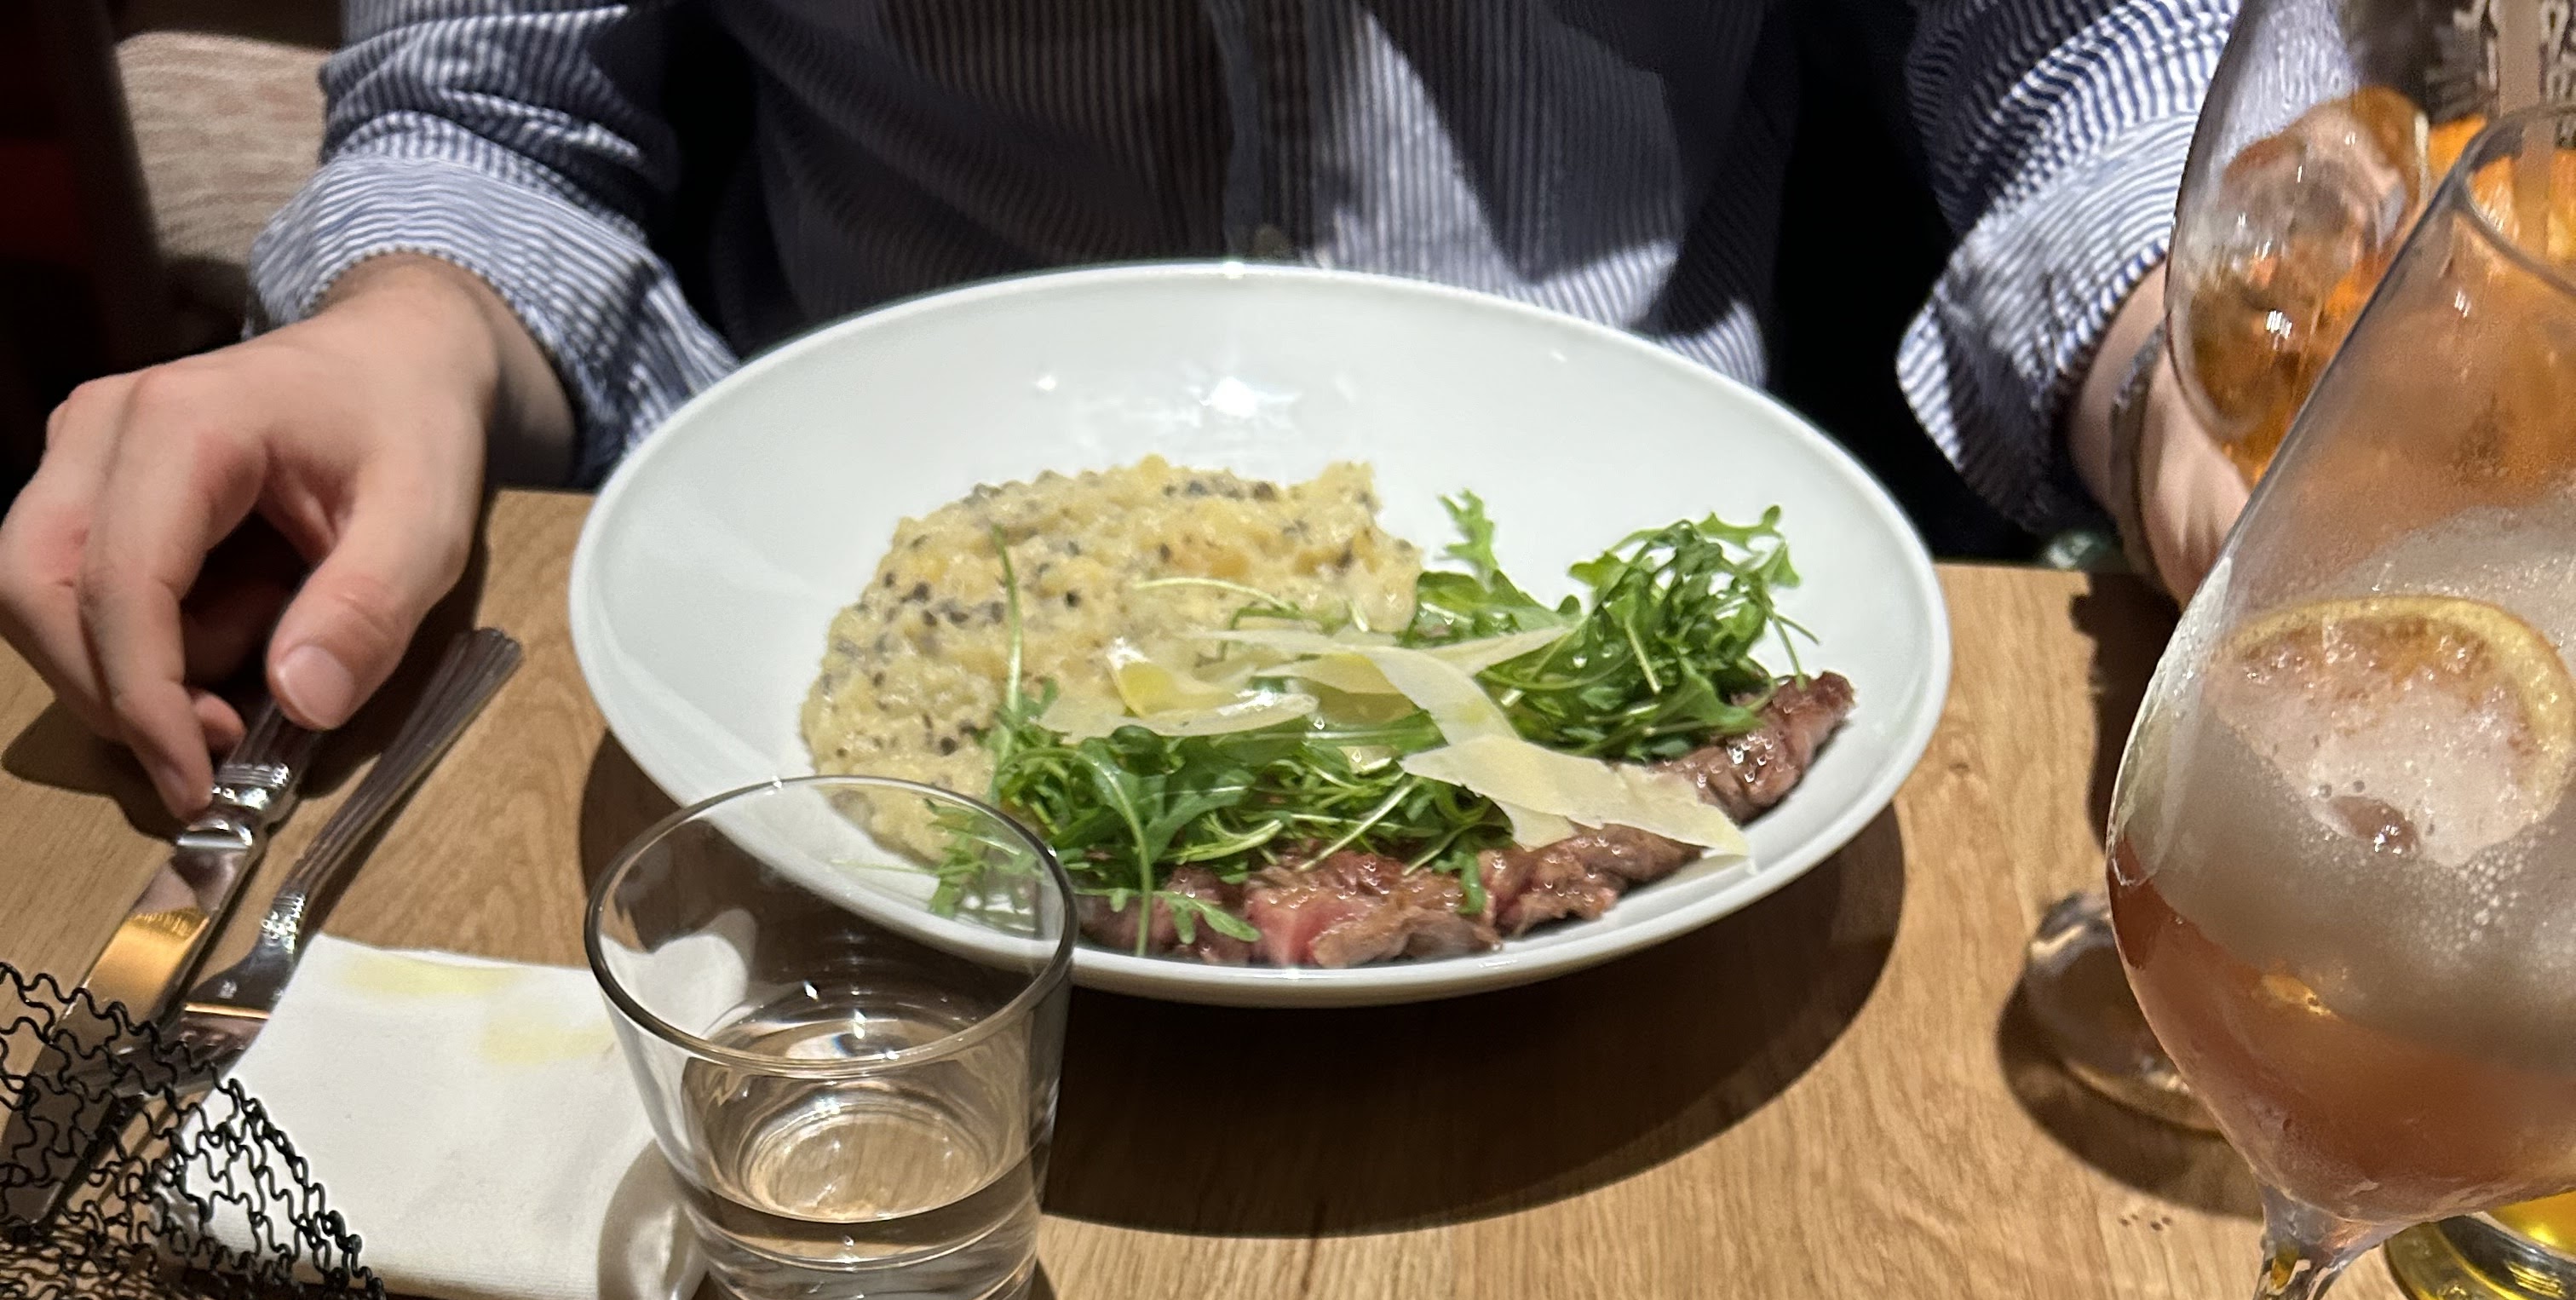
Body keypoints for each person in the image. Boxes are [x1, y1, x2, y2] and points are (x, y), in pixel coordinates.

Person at [0, 1, 2248, 820]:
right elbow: (496, 113)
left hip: (1632, 711)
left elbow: (2094, 51)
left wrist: (2200, 355)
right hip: (801, 772)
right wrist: (405, 322)